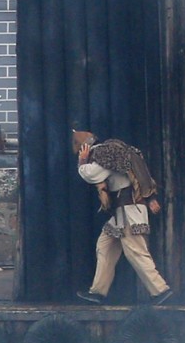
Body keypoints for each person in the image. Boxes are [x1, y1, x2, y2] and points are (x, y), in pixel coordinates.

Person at [72, 129, 172, 304]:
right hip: (122, 212)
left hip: (129, 211)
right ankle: (98, 292)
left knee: (135, 251)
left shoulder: (103, 154)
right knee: (105, 246)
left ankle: (161, 290)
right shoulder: (116, 151)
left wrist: (82, 162)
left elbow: (92, 174)